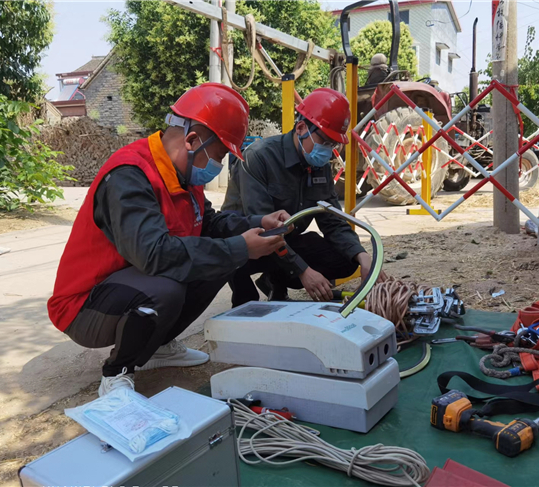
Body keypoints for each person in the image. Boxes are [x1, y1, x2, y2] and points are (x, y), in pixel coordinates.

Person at [47, 83, 288, 396]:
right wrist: (240, 247)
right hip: (85, 307)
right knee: (167, 286)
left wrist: (257, 223)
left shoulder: (183, 173)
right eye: (218, 156)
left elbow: (208, 224)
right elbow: (154, 255)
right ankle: (117, 372)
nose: (217, 166)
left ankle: (157, 346)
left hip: (128, 285)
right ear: (192, 140)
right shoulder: (129, 174)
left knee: (220, 261)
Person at [223, 88, 387, 307]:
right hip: (249, 241)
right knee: (236, 260)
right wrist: (303, 271)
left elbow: (332, 220)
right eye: (325, 142)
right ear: (301, 128)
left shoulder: (319, 165)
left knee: (345, 260)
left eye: (334, 144)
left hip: (285, 239)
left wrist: (362, 257)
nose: (328, 150)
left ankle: (275, 283)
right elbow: (265, 230)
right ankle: (244, 303)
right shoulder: (259, 157)